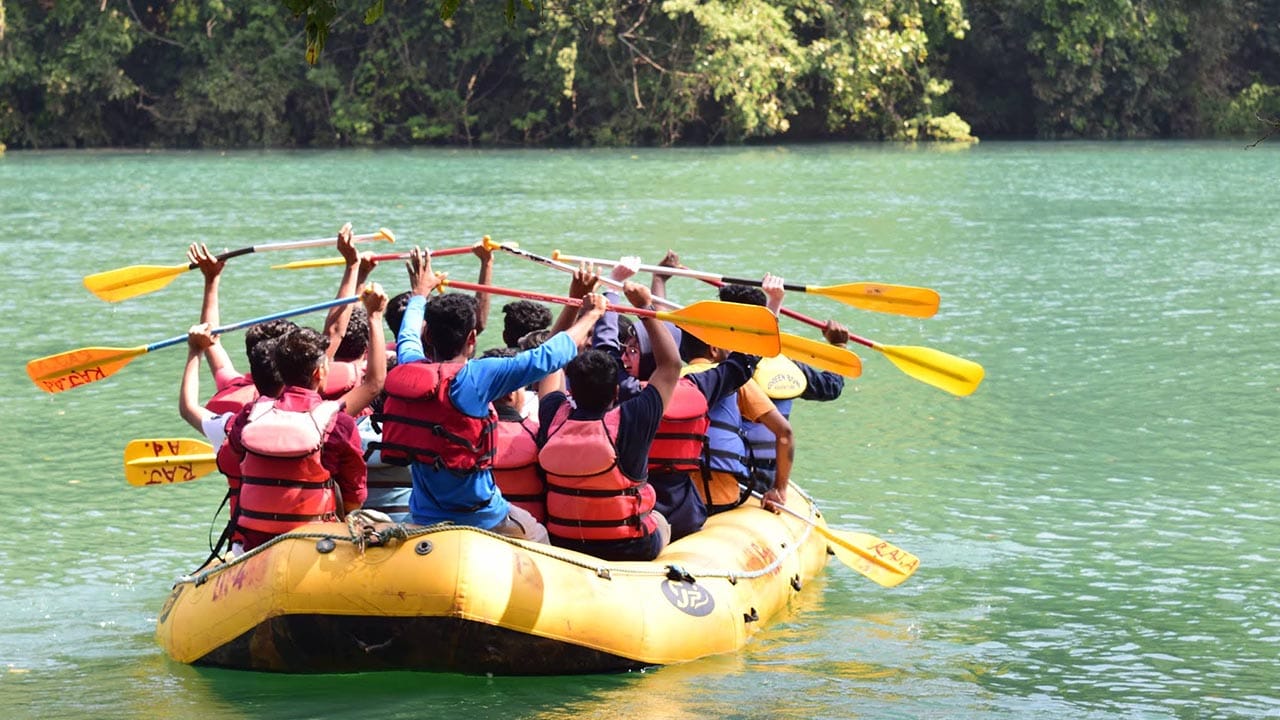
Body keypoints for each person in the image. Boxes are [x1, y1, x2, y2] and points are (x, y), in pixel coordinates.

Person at [371, 247, 606, 542]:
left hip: (423, 515)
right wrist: (591, 315)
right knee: (539, 535)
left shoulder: (409, 364)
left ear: (427, 336)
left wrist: (419, 292)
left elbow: (407, 333)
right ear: (472, 339)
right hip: (483, 517)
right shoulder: (480, 376)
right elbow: (547, 357)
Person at [536, 282, 679, 561]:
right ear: (616, 391)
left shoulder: (553, 415)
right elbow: (671, 365)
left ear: (571, 391)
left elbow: (550, 362)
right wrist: (644, 308)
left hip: (563, 543)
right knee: (661, 521)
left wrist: (574, 301)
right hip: (629, 548)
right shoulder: (631, 417)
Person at [224, 325, 368, 551]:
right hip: (316, 545)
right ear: (319, 372)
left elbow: (230, 458)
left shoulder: (251, 414)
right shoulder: (339, 423)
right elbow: (355, 495)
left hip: (254, 544)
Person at [719, 276, 847, 493]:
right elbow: (831, 385)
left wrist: (659, 281)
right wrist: (839, 346)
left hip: (723, 476)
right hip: (762, 480)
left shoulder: (713, 359)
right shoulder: (786, 365)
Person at [481, 347, 545, 523]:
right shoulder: (538, 434)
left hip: (480, 533)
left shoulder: (464, 436)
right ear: (511, 394)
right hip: (531, 536)